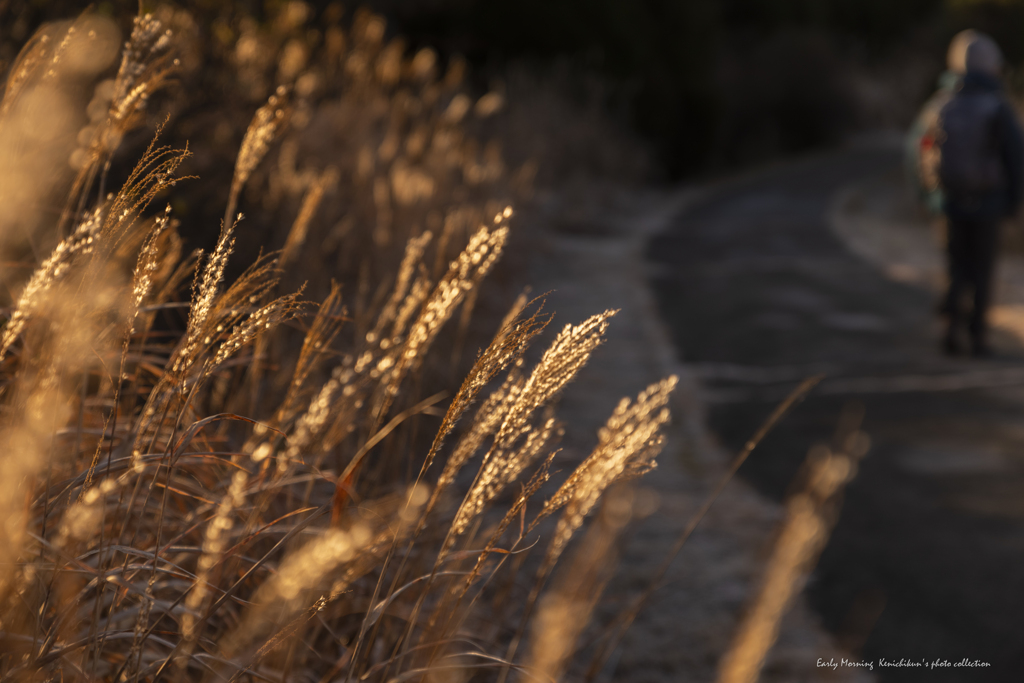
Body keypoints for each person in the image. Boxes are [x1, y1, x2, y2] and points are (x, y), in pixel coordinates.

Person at [932, 32, 1024, 356]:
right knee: (982, 270)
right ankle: (978, 337)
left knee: (957, 267)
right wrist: (1014, 201)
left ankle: (950, 328)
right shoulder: (996, 105)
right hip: (988, 200)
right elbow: (1015, 156)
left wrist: (932, 195)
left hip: (952, 200)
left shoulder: (945, 102)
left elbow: (927, 151)